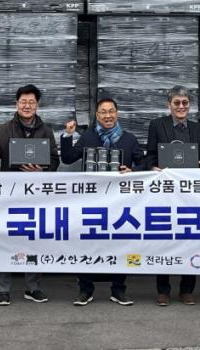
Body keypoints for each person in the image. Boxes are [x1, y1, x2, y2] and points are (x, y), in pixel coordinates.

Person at [62, 97, 144, 307]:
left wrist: (133, 170)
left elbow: (144, 162)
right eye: (103, 112)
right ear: (97, 115)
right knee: (87, 243)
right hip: (92, 202)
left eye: (111, 111)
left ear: (117, 113)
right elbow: (68, 158)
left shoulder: (128, 139)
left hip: (120, 202)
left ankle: (118, 289)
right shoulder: (88, 137)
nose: (108, 115)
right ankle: (85, 290)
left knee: (119, 244)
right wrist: (68, 135)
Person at [0, 84, 58, 306]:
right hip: (8, 195)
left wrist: (42, 170)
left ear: (37, 105)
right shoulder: (4, 129)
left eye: (31, 102)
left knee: (34, 240)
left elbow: (55, 160)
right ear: (16, 104)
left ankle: (33, 287)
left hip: (36, 195)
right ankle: (3, 289)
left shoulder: (46, 131)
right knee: (4, 240)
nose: (27, 106)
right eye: (23, 102)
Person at [146, 85, 200, 307]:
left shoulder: (198, 129)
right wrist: (154, 168)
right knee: (164, 239)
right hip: (164, 192)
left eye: (185, 103)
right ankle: (163, 290)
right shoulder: (157, 125)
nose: (181, 107)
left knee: (190, 238)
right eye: (177, 103)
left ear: (190, 105)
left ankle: (187, 290)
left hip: (190, 193)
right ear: (169, 105)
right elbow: (150, 155)